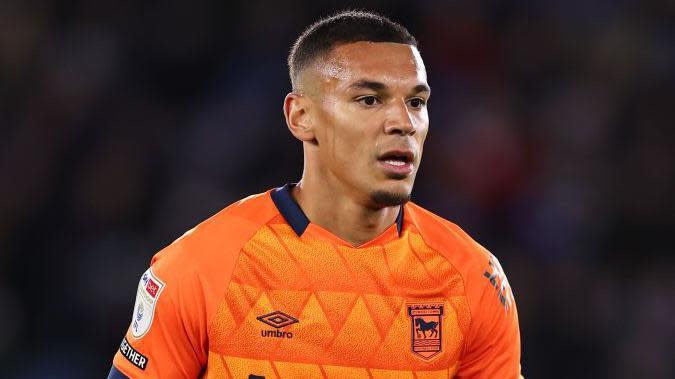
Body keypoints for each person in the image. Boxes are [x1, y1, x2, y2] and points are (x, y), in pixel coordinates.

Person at [108, 10, 522, 379]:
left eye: (416, 101)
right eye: (369, 99)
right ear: (301, 116)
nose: (404, 122)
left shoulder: (473, 279)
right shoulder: (202, 266)